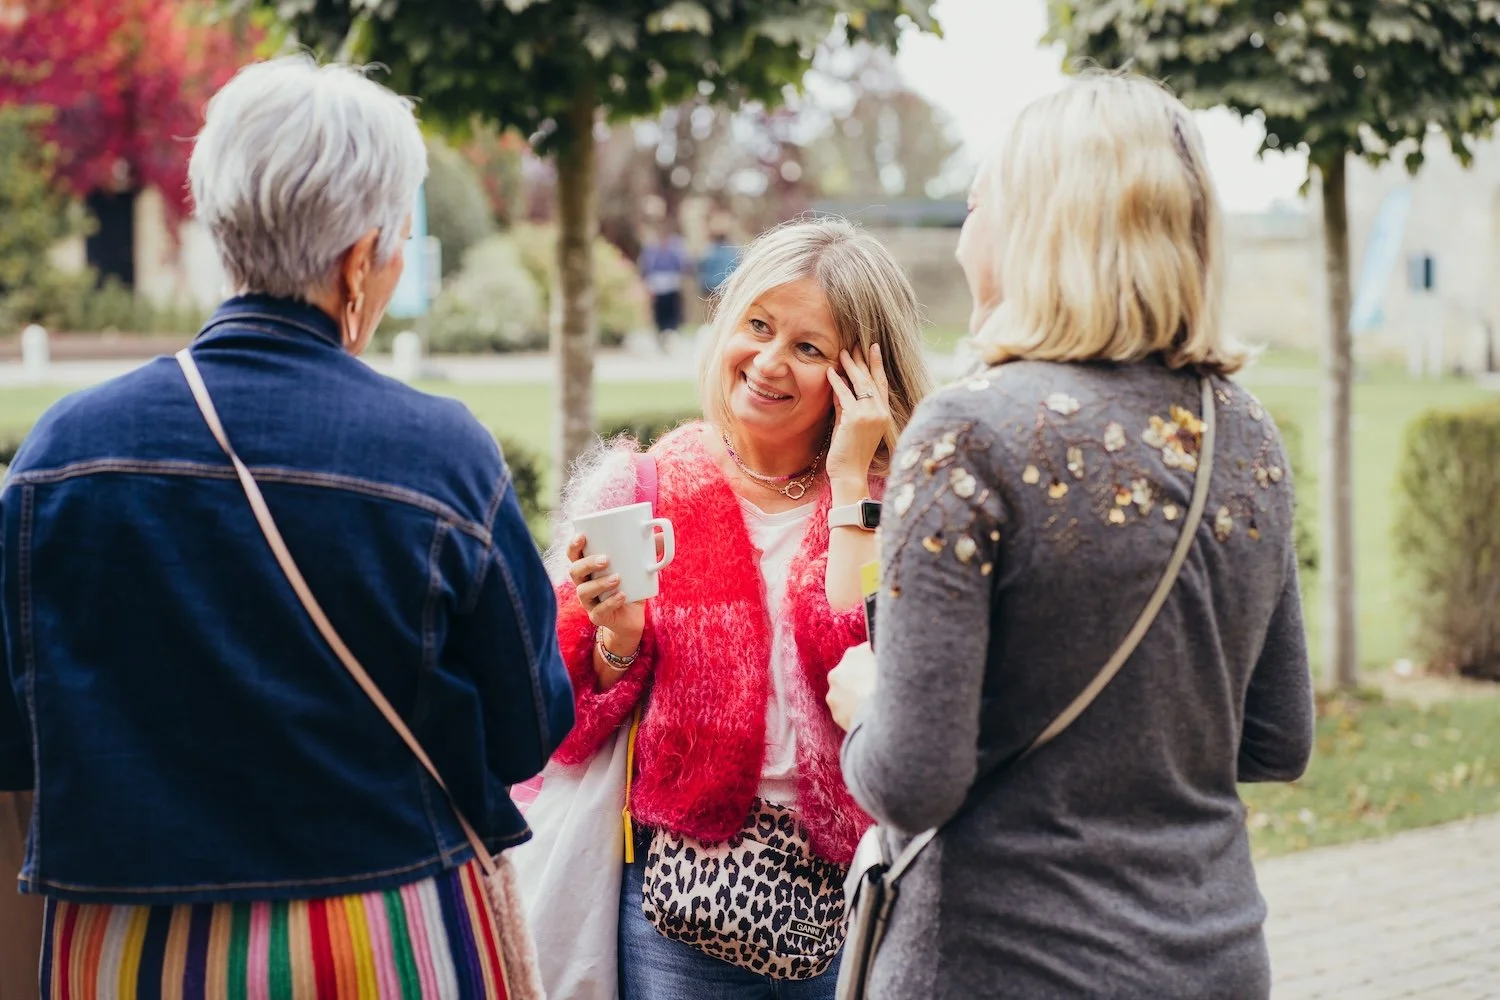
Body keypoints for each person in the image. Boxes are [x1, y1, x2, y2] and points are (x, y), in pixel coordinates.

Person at [0, 56, 573, 996]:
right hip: (378, 935)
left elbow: (17, 736)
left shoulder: (63, 449)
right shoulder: (440, 454)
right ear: (360, 257)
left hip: (125, 941)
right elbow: (526, 729)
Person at [827, 73, 1315, 1000]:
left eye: (976, 210)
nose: (967, 242)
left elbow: (913, 782)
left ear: (1035, 227)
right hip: (1212, 961)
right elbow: (1278, 739)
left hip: (1003, 964)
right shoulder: (1243, 433)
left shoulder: (969, 432)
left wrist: (867, 703)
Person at [550, 218, 933, 1000]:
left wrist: (853, 479)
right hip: (679, 910)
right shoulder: (642, 489)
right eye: (757, 326)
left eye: (809, 348)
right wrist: (616, 641)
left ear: (864, 374)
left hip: (855, 894)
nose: (767, 362)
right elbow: (563, 721)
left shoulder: (906, 506)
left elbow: (860, 659)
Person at [638, 224, 690, 351]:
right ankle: (663, 334)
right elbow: (646, 266)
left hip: (670, 283)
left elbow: (682, 264)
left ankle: (670, 333)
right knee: (661, 312)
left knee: (670, 311)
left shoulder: (674, 247)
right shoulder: (652, 249)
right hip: (659, 284)